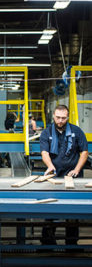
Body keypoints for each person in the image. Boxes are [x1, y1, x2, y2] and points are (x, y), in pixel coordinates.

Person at [40, 105, 88, 246]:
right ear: (53, 116)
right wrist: (50, 166)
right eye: (58, 117)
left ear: (67, 117)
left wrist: (77, 169)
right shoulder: (46, 133)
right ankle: (47, 244)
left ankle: (72, 244)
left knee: (73, 213)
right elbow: (44, 153)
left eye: (63, 118)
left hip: (72, 176)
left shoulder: (77, 131)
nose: (60, 120)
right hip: (54, 175)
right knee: (50, 211)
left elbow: (84, 152)